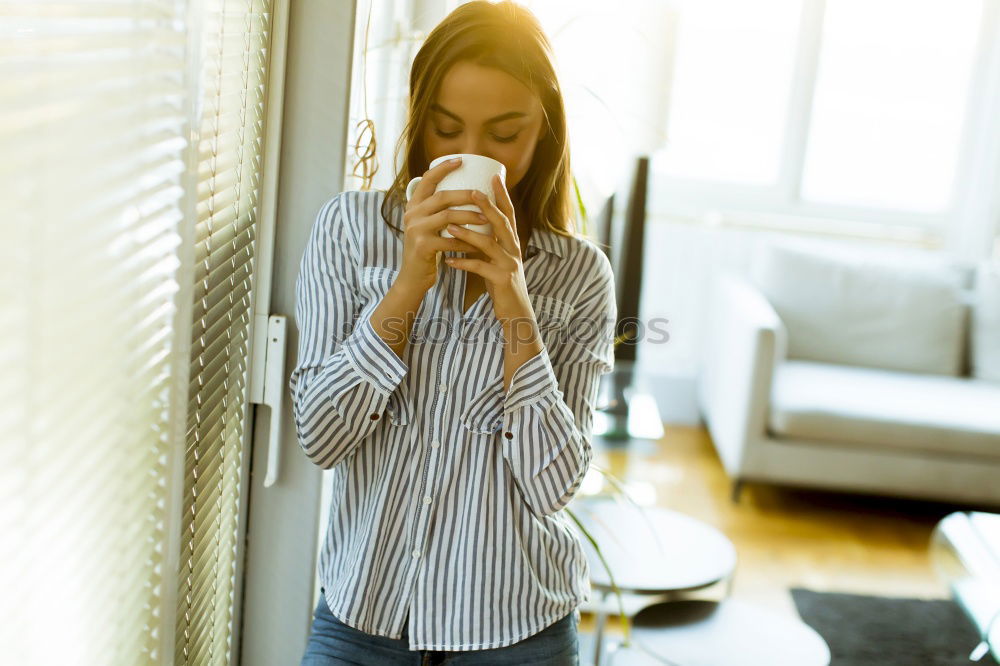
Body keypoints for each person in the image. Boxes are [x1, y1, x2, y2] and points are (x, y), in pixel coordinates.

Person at [292, 1, 617, 663]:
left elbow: (554, 485)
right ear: (421, 120)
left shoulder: (580, 275)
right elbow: (321, 437)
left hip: (516, 632)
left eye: (504, 133)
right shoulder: (350, 232)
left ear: (542, 132)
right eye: (447, 128)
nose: (470, 154)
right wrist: (409, 281)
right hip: (362, 621)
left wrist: (513, 300)